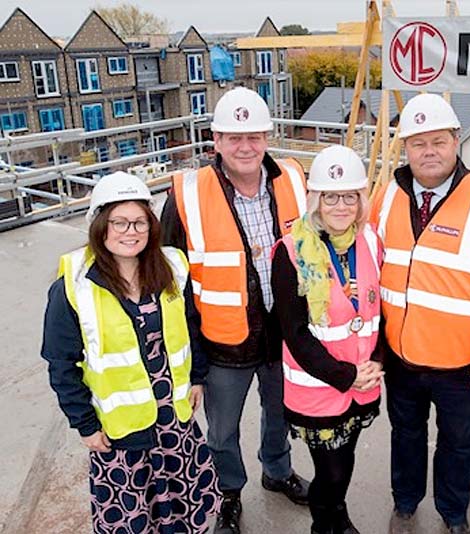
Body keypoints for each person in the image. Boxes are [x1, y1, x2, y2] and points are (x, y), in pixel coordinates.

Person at [370, 93, 470, 534]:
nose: (428, 152)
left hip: (463, 367)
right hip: (401, 359)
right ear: (404, 148)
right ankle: (405, 503)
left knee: (458, 445)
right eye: (417, 143)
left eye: (437, 141)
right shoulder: (386, 199)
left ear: (457, 141)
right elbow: (367, 270)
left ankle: (453, 514)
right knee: (405, 436)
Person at [160, 86, 309, 534]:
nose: (245, 147)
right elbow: (172, 280)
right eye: (233, 137)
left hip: (283, 333)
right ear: (216, 140)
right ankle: (228, 492)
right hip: (223, 339)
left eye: (254, 136)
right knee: (222, 431)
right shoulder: (187, 194)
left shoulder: (294, 181)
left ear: (267, 137)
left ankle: (277, 471)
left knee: (280, 413)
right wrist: (190, 357)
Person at [41, 172, 221, 533]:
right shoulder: (75, 287)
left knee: (183, 507)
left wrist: (197, 377)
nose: (130, 231)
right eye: (119, 222)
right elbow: (61, 365)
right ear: (101, 226)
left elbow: (189, 326)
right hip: (122, 434)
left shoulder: (170, 268)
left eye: (139, 221)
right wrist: (85, 425)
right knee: (136, 517)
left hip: (174, 419)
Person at [272, 145, 383, 534]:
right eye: (330, 196)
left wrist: (377, 361)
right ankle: (325, 523)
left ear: (360, 200)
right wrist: (344, 375)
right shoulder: (291, 253)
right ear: (316, 200)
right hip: (319, 389)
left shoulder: (369, 242)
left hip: (362, 384)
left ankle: (338, 515)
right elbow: (296, 333)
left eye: (349, 196)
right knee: (331, 470)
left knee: (346, 461)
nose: (340, 205)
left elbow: (378, 311)